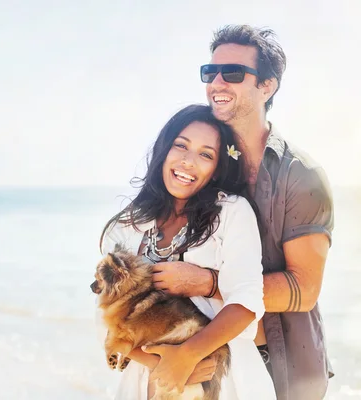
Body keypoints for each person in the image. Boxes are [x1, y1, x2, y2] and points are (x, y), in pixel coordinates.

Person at [149, 25, 335, 399]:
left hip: (281, 364)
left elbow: (305, 289)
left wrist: (208, 282)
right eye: (210, 73)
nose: (217, 82)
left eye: (232, 73)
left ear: (267, 86)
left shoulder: (302, 176)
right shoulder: (208, 164)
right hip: (208, 355)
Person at [99, 104, 276, 399]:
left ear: (218, 167)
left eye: (206, 154)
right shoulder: (126, 227)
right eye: (181, 146)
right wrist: (163, 363)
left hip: (221, 375)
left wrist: (189, 356)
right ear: (164, 150)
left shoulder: (231, 213)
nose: (188, 161)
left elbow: (246, 302)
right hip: (143, 381)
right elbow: (107, 317)